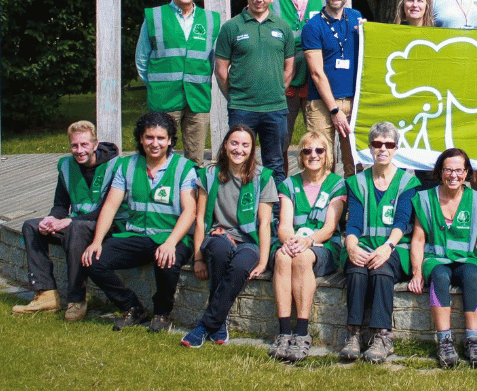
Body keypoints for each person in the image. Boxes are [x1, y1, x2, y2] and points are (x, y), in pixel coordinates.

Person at [81, 112, 198, 332]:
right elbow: (109, 207)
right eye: (149, 138)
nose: (155, 144)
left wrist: (171, 243)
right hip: (135, 235)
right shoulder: (126, 166)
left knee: (167, 261)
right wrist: (97, 241)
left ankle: (162, 314)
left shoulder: (184, 168)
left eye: (161, 138)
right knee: (94, 260)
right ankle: (132, 307)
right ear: (141, 139)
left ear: (170, 140)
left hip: (171, 235)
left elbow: (190, 211)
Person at [13, 121, 120, 321]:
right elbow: (61, 203)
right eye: (74, 146)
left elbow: (108, 209)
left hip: (107, 225)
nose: (79, 150)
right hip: (77, 223)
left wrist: (68, 222)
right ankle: (45, 294)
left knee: (76, 228)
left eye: (84, 145)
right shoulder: (66, 166)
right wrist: (52, 218)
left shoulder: (116, 166)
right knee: (31, 226)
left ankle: (77, 299)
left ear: (95, 144)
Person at [183, 125, 276, 348]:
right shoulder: (210, 174)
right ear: (225, 145)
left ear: (252, 149)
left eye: (245, 145)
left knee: (240, 265)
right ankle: (217, 322)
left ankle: (207, 324)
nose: (239, 149)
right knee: (219, 250)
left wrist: (263, 261)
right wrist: (197, 258)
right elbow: (201, 218)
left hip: (249, 240)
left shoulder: (263, 177)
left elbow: (264, 224)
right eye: (234, 143)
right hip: (219, 234)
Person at [339, 122, 420, 363]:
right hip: (362, 244)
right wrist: (352, 246)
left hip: (394, 247)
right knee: (356, 270)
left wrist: (387, 247)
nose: (382, 149)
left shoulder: (408, 183)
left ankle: (383, 335)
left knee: (381, 270)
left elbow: (403, 221)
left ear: (396, 148)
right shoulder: (357, 182)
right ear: (370, 148)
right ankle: (353, 334)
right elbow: (352, 222)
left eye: (388, 144)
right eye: (377, 144)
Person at [408, 148, 477, 368]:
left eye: (459, 170)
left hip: (466, 259)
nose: (453, 175)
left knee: (473, 277)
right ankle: (444, 341)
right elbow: (418, 239)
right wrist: (417, 272)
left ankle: (473, 340)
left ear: (467, 173)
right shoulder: (425, 198)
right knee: (440, 277)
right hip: (436, 259)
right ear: (440, 172)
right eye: (448, 170)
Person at [269, 131, 346, 362]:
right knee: (282, 258)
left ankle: (302, 332)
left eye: (319, 150)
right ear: (301, 155)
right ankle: (284, 332)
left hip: (322, 245)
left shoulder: (337, 183)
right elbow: (284, 225)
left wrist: (308, 241)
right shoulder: (289, 184)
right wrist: (290, 242)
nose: (313, 155)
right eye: (307, 150)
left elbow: (330, 227)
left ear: (327, 155)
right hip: (293, 242)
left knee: (303, 259)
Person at [135, 0, 221, 166]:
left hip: (197, 98)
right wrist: (155, 86)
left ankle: (192, 196)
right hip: (163, 97)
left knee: (195, 159)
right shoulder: (154, 17)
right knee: (159, 155)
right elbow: (141, 59)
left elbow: (214, 60)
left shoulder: (211, 19)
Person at [215, 0, 295, 184]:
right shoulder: (231, 27)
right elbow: (221, 70)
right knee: (238, 161)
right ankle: (239, 210)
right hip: (242, 108)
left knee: (275, 164)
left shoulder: (283, 27)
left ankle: (277, 214)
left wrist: (277, 90)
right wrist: (234, 96)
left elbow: (289, 68)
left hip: (275, 108)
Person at [302, 0, 364, 179]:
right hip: (322, 104)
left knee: (354, 162)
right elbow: (316, 72)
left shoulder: (356, 18)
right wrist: (334, 110)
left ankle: (352, 209)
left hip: (353, 102)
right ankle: (324, 209)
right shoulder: (313, 26)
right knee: (321, 161)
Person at [271, 0, 326, 175]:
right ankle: (281, 188)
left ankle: (320, 188)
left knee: (320, 141)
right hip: (284, 79)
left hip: (318, 78)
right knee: (280, 140)